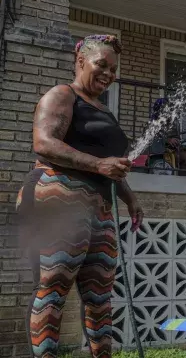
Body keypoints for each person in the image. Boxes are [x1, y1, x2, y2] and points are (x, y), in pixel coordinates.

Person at [16, 35, 144, 358]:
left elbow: (108, 167)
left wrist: (129, 197)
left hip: (98, 207)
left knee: (100, 297)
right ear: (81, 61)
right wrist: (100, 164)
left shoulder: (106, 112)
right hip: (59, 194)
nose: (109, 73)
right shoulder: (63, 95)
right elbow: (44, 143)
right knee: (54, 287)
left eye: (113, 69)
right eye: (102, 64)